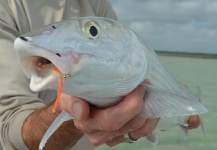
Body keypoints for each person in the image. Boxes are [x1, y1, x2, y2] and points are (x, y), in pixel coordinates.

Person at [0, 0, 200, 150]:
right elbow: (8, 129)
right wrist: (74, 118)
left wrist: (176, 109)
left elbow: (119, 64)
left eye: (93, 31)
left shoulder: (97, 4)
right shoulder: (7, 7)